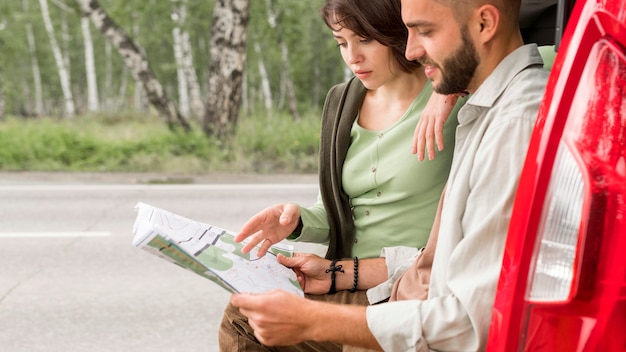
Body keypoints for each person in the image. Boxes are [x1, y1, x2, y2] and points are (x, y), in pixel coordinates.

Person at [220, 0, 549, 350]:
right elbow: (433, 259)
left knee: (246, 320)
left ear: (485, 23)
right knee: (248, 310)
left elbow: (470, 321)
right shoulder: (480, 111)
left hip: (404, 301)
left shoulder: (506, 117)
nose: (411, 50)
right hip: (385, 279)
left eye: (424, 31)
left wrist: (445, 90)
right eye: (341, 43)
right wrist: (330, 263)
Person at [235, 0, 462, 262]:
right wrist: (297, 221)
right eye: (342, 43)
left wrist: (448, 86)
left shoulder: (453, 101)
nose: (353, 57)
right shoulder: (341, 103)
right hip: (342, 276)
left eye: (365, 39)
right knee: (244, 299)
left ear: (398, 30)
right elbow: (332, 216)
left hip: (412, 284)